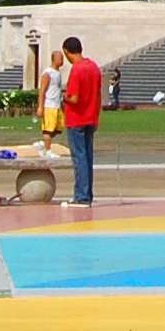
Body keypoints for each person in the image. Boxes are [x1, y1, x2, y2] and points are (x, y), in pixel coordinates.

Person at [58, 36, 104, 206]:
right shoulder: (93, 67)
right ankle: (87, 194)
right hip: (91, 117)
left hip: (76, 119)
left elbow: (75, 98)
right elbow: (98, 95)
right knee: (88, 156)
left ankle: (81, 196)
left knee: (79, 158)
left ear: (66, 51)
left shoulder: (77, 69)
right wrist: (97, 116)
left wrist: (64, 97)